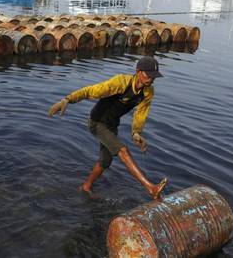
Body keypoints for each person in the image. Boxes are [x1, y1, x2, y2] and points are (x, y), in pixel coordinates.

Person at [48, 56, 167, 199]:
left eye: (154, 76)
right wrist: (67, 99)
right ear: (138, 72)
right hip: (97, 122)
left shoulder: (148, 92)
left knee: (106, 161)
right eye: (149, 75)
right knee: (123, 150)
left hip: (111, 125)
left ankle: (85, 187)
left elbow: (141, 113)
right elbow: (91, 91)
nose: (152, 79)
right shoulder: (121, 82)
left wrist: (136, 133)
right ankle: (151, 188)